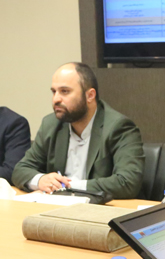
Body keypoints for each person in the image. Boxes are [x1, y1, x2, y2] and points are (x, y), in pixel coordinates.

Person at [12, 62, 144, 199]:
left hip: (101, 208)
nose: (56, 99)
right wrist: (41, 180)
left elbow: (128, 182)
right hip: (58, 206)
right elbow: (20, 170)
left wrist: (68, 187)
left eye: (65, 91)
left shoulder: (118, 127)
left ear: (90, 95)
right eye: (54, 92)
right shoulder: (51, 124)